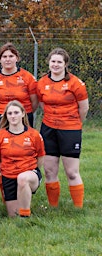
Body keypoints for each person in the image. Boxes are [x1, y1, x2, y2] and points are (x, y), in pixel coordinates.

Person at [37, 48, 89, 209]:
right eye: (53, 61)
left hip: (70, 130)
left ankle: (78, 208)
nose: (56, 64)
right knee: (50, 171)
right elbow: (42, 104)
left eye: (59, 62)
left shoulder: (76, 83)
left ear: (65, 64)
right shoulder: (42, 82)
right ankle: (53, 207)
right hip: (48, 129)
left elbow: (84, 108)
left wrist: (72, 124)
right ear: (49, 63)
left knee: (72, 172)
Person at [0, 100, 45, 217]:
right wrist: (8, 171)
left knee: (22, 178)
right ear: (6, 116)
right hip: (8, 176)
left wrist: (31, 170)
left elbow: (40, 158)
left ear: (23, 114)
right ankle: (20, 205)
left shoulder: (34, 134)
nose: (13, 116)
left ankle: (26, 217)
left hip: (29, 174)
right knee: (13, 215)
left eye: (16, 112)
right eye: (10, 113)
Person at [0, 43, 38, 132]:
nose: (8, 59)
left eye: (11, 56)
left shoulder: (27, 77)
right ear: (0, 59)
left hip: (24, 118)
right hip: (0, 118)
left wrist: (21, 113)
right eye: (4, 56)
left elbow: (34, 101)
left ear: (17, 58)